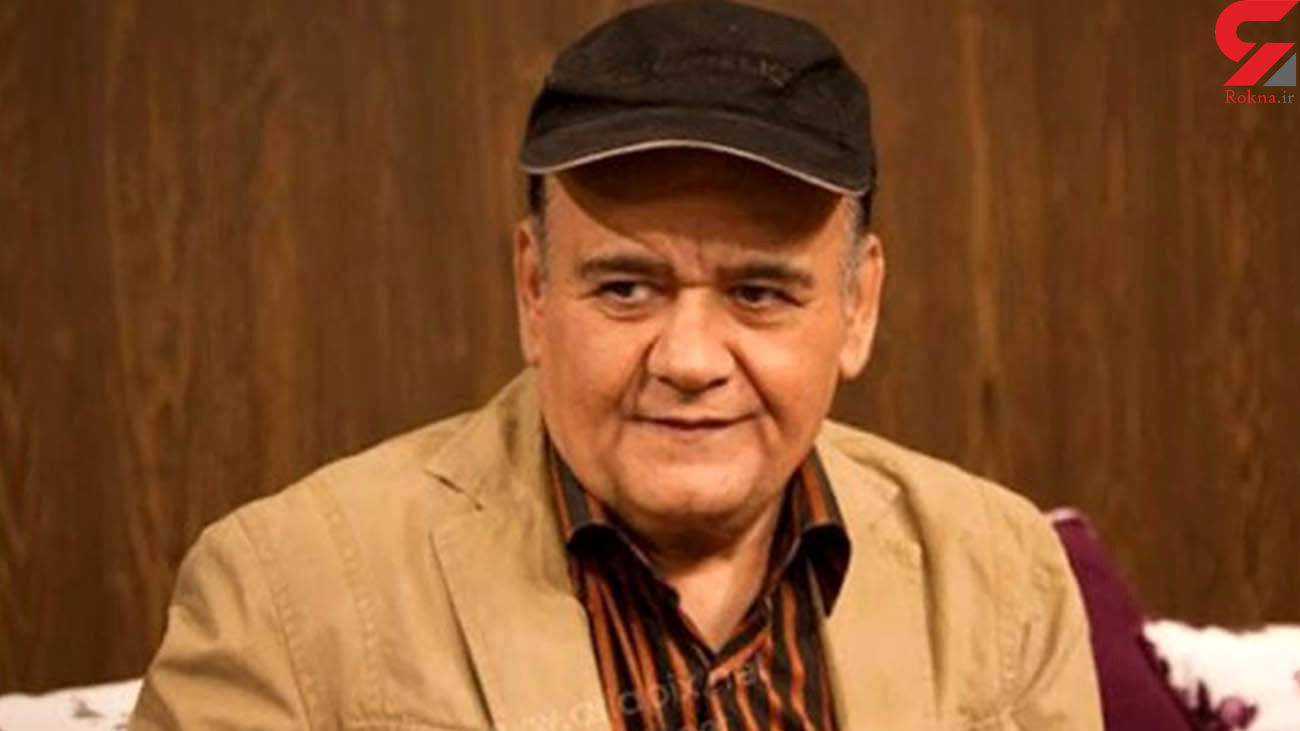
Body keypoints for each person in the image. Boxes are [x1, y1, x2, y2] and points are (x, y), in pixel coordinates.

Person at [130, 1, 1103, 729]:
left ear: (858, 306)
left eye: (760, 292)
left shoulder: (1002, 576)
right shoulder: (285, 595)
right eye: (626, 287)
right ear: (534, 290)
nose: (688, 359)